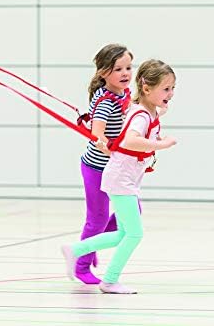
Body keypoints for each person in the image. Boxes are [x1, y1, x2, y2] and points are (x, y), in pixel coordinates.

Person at [62, 59, 177, 294]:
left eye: (173, 88)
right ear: (147, 89)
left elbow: (154, 113)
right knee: (134, 234)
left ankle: (75, 250)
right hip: (121, 179)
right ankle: (110, 280)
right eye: (166, 89)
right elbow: (131, 140)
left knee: (122, 234)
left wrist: (161, 107)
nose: (171, 93)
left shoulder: (146, 109)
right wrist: (161, 144)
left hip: (124, 178)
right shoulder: (141, 116)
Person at [76, 44, 134, 284]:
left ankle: (93, 241)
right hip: (97, 168)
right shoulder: (105, 102)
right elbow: (97, 134)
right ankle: (80, 265)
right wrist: (108, 146)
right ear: (103, 73)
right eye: (117, 69)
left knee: (132, 215)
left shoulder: (124, 94)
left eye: (128, 67)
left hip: (117, 169)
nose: (125, 73)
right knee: (97, 220)